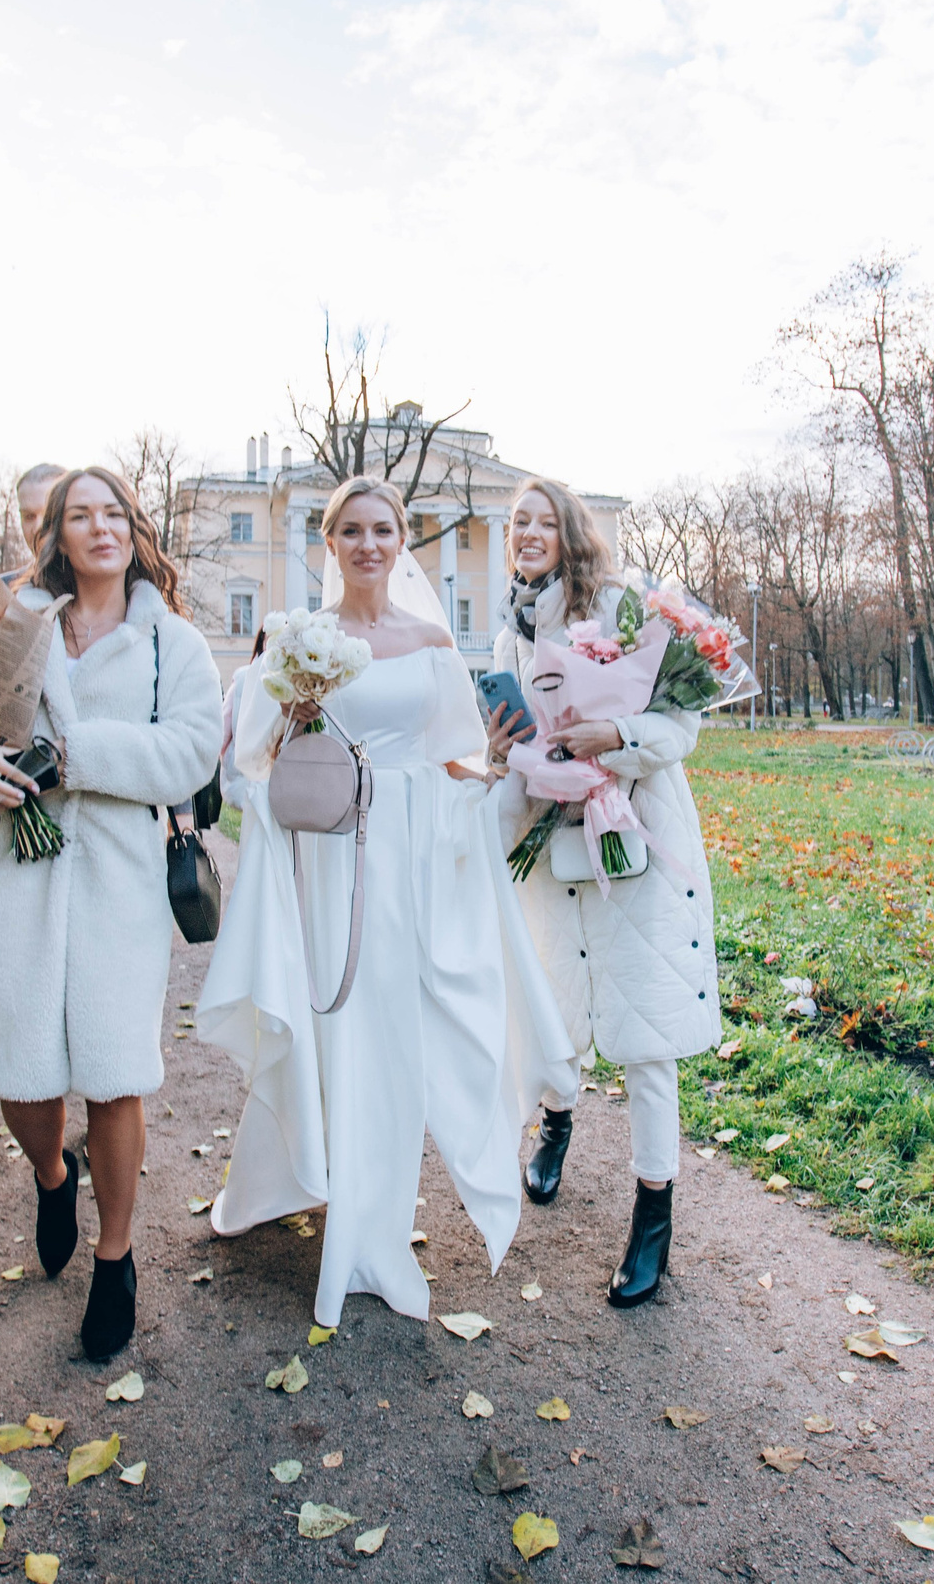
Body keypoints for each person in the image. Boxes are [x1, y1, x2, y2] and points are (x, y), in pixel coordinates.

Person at [197, 477, 573, 1329]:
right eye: (353, 531)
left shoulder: (435, 638)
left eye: (384, 530)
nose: (370, 545)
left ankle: (376, 1232)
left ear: (403, 540)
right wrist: (292, 716)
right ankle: (314, 1182)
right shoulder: (302, 640)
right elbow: (254, 760)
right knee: (338, 1030)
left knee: (392, 1038)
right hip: (330, 857)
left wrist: (494, 760)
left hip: (409, 858)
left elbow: (452, 760)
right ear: (330, 543)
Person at [0, 467, 220, 1358]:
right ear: (54, 532)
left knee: (117, 1071)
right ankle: (52, 1174)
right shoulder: (13, 623)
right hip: (17, 871)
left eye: (113, 513)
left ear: (134, 528)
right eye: (79, 515)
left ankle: (116, 1257)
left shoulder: (174, 644)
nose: (99, 527)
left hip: (117, 882)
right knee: (25, 1074)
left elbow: (191, 751)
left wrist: (74, 755)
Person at [484, 477, 722, 1307]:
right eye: (518, 522)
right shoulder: (512, 625)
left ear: (572, 533)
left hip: (636, 839)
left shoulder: (626, 610)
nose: (529, 533)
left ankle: (652, 1216)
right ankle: (556, 1121)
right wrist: (504, 745)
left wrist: (612, 734)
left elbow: (680, 727)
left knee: (647, 1034)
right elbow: (516, 736)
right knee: (559, 1002)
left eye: (544, 521)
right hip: (554, 845)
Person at [2, 462, 69, 581]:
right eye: (29, 516)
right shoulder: (5, 589)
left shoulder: (104, 586)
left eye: (49, 514)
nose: (38, 527)